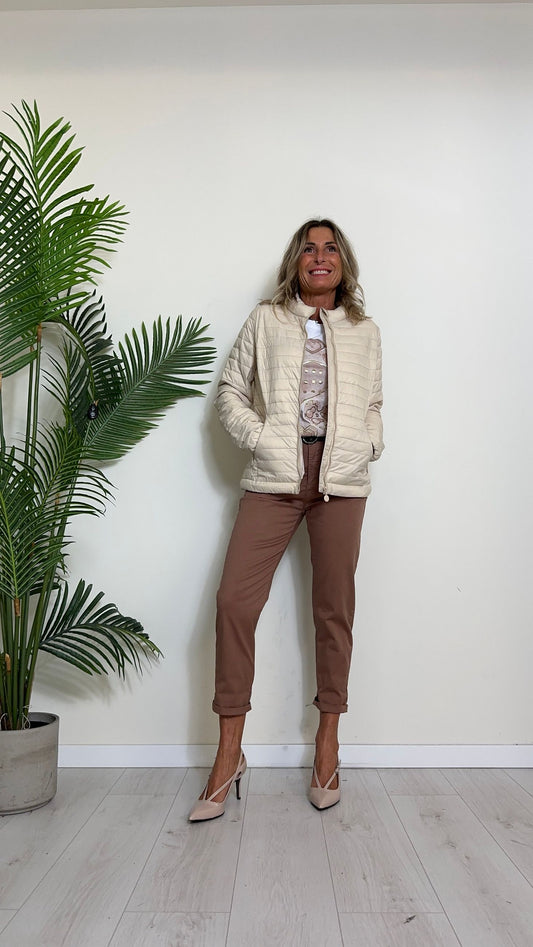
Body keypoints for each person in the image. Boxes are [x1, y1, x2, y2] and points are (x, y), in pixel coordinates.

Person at [189, 218, 383, 822]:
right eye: (309, 248)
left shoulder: (365, 330)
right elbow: (230, 391)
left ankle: (328, 744)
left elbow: (373, 403)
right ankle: (229, 753)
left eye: (330, 249)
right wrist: (264, 438)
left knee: (334, 610)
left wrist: (368, 444)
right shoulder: (266, 319)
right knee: (233, 603)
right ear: (296, 261)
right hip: (275, 476)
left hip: (341, 481)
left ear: (343, 263)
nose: (319, 257)